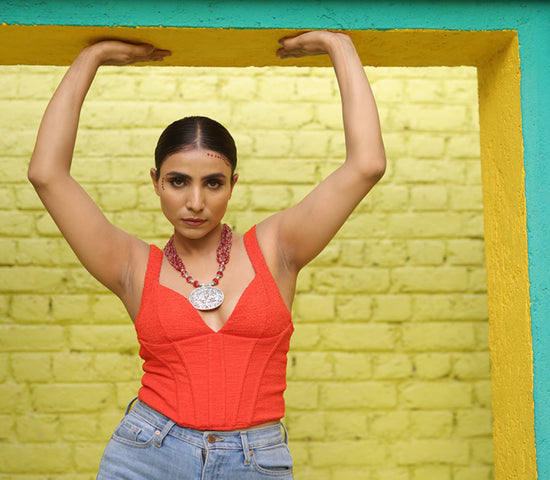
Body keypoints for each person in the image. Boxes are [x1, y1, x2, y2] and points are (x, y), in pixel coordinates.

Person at [28, 30, 385, 480]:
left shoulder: (277, 248)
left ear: (233, 184)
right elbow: (46, 174)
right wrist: (92, 58)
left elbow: (367, 164)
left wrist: (340, 47)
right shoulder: (132, 266)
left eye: (213, 183)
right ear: (156, 181)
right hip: (148, 453)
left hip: (257, 460)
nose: (195, 201)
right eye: (178, 181)